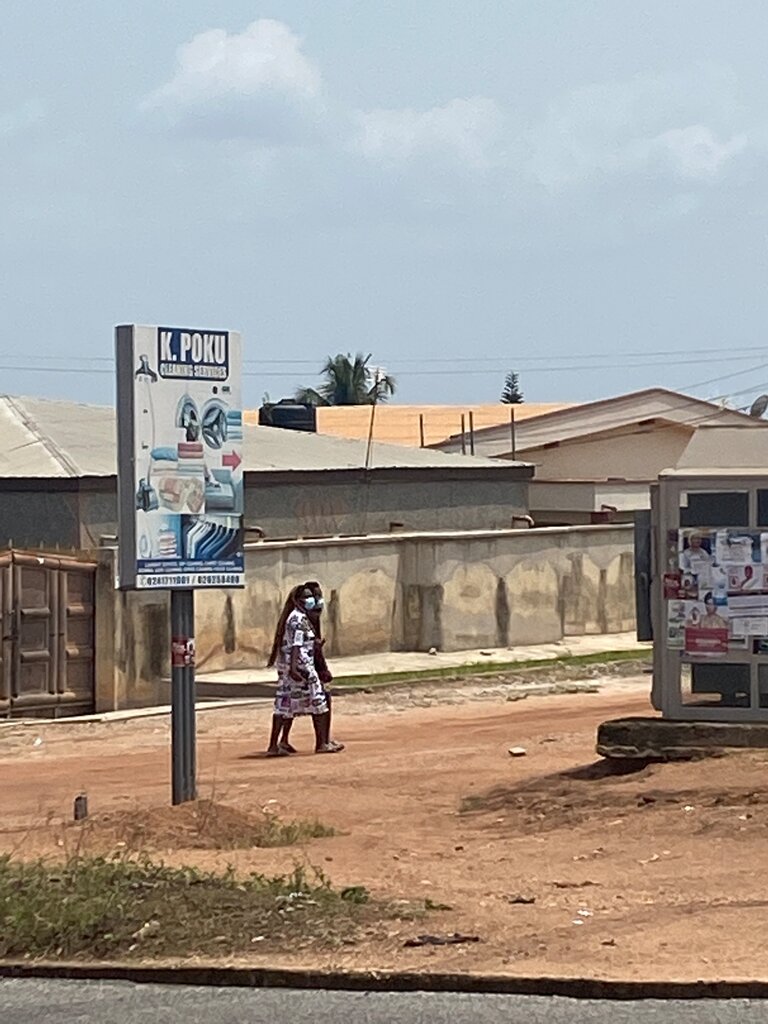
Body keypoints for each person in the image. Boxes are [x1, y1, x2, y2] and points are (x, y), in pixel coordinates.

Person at [265, 585, 341, 757]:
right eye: (307, 597)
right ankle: (322, 743)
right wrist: (294, 669)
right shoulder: (299, 620)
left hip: (292, 668)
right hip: (302, 668)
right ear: (297, 600)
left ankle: (274, 745)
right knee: (319, 703)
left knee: (284, 706)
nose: (311, 600)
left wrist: (314, 646)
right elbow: (296, 646)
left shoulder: (297, 618)